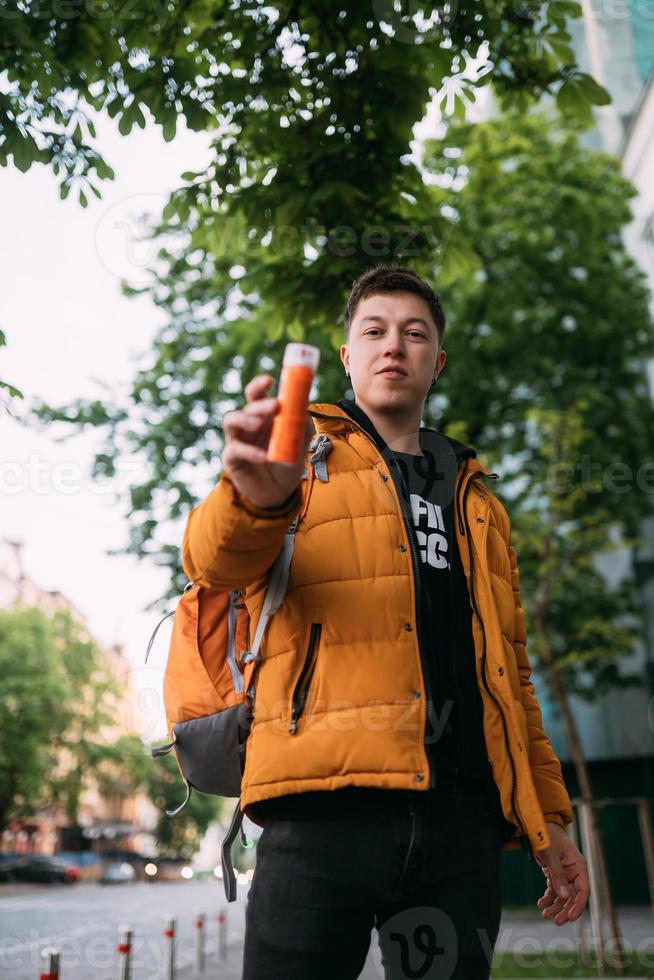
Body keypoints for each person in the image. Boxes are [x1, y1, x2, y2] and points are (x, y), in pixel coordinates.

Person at [181, 264, 589, 980]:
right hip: (319, 812)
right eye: (373, 331)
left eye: (414, 334)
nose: (393, 346)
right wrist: (256, 498)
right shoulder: (295, 456)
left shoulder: (480, 504)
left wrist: (548, 822)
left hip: (460, 824)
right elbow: (215, 562)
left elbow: (512, 680)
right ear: (347, 355)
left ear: (438, 360)